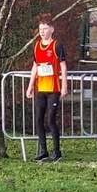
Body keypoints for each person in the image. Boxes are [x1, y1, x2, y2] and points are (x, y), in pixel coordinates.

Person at [27, 14, 69, 162]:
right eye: (40, 29)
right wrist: (30, 85)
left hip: (53, 89)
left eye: (45, 29)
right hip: (40, 88)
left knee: (51, 119)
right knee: (39, 119)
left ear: (52, 29)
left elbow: (63, 66)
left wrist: (64, 85)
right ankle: (43, 150)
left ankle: (57, 151)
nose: (42, 32)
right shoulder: (37, 46)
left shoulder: (57, 45)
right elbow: (35, 66)